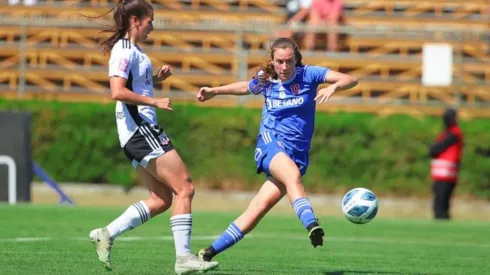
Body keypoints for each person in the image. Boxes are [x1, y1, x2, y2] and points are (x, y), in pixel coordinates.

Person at [195, 37, 358, 261]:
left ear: (295, 59)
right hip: (270, 143)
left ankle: (208, 253)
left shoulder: (309, 74)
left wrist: (335, 87)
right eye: (279, 61)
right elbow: (245, 87)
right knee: (292, 177)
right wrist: (215, 90)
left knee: (258, 208)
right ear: (272, 61)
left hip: (297, 154)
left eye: (289, 61)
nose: (284, 67)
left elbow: (351, 79)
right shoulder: (266, 79)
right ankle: (311, 224)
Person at [87, 0, 219, 274]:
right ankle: (183, 259)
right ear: (135, 20)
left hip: (135, 133)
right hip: (140, 130)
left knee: (161, 198)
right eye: (150, 21)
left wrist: (156, 78)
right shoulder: (124, 51)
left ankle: (106, 233)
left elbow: (135, 84)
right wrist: (154, 101)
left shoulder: (134, 50)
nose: (152, 27)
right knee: (185, 188)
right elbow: (117, 91)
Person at [429, 108, 464, 220]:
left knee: (442, 203)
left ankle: (442, 219)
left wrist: (432, 148)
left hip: (447, 173)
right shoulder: (446, 133)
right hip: (440, 173)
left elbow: (437, 148)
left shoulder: (454, 133)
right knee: (439, 202)